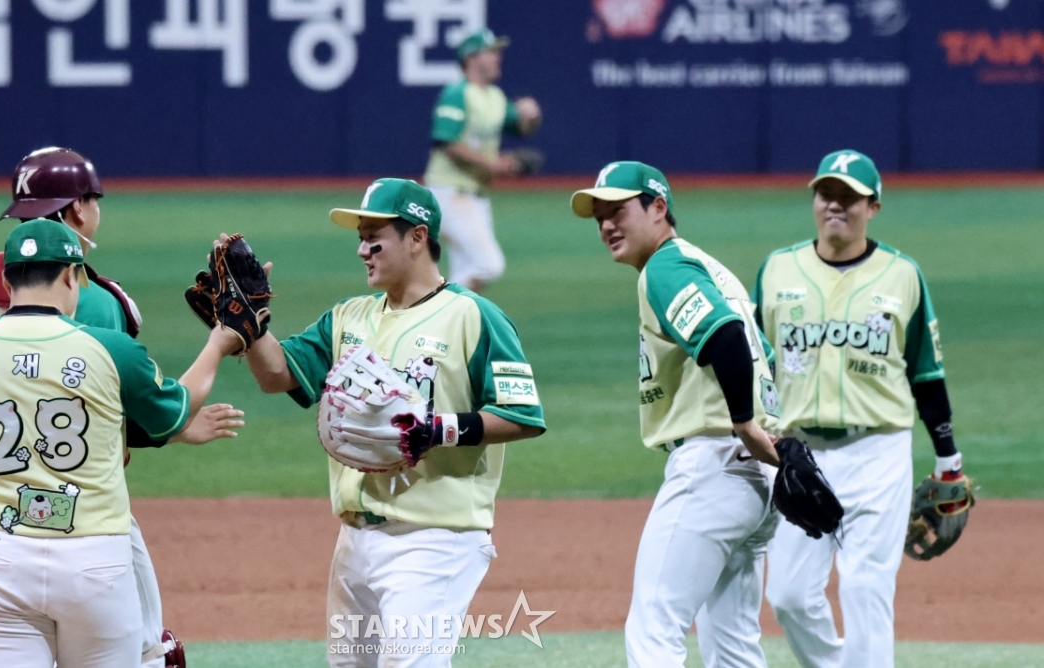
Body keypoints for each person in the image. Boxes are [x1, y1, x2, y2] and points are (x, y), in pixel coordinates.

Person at [0, 147, 231, 667]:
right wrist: (219, 347)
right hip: (89, 529)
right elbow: (126, 415)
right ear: (78, 209)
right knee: (150, 649)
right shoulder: (96, 301)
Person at [231, 178, 545, 666]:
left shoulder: (473, 316)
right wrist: (250, 322)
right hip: (354, 540)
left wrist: (438, 429)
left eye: (374, 238)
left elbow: (521, 414)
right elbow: (277, 375)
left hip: (434, 539)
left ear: (417, 237)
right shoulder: (348, 317)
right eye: (360, 238)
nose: (362, 250)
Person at [570, 161, 783, 667]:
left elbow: (727, 336)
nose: (606, 225)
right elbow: (768, 357)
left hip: (714, 466)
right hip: (757, 479)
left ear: (658, 208)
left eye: (617, 210)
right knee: (732, 642)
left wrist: (744, 423)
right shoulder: (711, 269)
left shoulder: (665, 268)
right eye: (599, 217)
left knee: (654, 626)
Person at [757, 150, 964, 668]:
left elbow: (927, 374)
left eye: (849, 197)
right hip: (800, 456)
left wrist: (948, 459)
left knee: (865, 586)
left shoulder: (902, 274)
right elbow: (756, 367)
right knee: (788, 595)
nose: (836, 205)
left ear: (873, 207)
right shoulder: (778, 269)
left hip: (878, 452)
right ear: (814, 200)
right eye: (827, 194)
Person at [423, 27, 542, 293]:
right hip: (448, 193)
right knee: (489, 264)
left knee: (466, 270)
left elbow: (523, 128)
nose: (498, 57)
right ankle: (435, 306)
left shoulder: (494, 97)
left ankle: (442, 316)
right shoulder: (458, 93)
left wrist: (531, 116)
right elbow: (447, 142)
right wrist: (495, 165)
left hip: (476, 197)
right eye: (491, 52)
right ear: (471, 58)